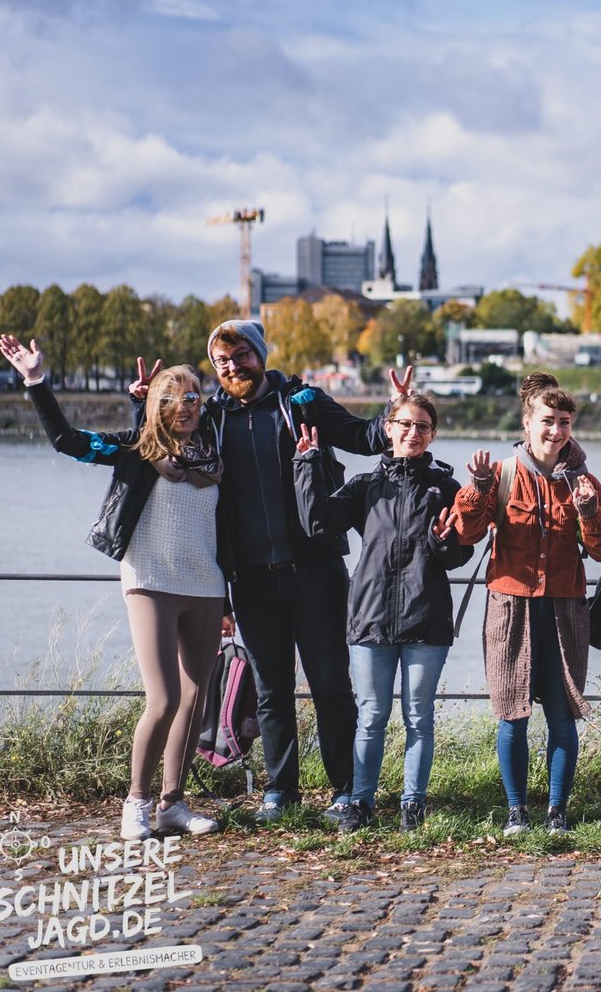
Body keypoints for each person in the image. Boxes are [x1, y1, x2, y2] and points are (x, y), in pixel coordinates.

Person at [0, 336, 227, 841]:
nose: (184, 407)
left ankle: (173, 804)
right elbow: (67, 441)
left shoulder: (214, 454)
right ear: (155, 406)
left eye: (192, 398)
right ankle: (137, 802)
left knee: (195, 699)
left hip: (206, 585)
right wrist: (36, 381)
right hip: (151, 582)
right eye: (171, 400)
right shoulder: (136, 450)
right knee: (164, 699)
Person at [202, 319, 404, 824]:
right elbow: (160, 445)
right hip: (249, 576)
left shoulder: (301, 402)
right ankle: (281, 789)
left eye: (241, 355)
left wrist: (397, 410)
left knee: (331, 683)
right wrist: (144, 404)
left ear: (261, 354)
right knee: (271, 690)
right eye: (222, 361)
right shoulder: (213, 417)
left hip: (315, 568)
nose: (232, 367)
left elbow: (364, 437)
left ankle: (346, 789)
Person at [292, 391, 473, 832]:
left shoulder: (446, 489)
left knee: (418, 717)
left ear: (432, 435)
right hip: (370, 617)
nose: (413, 433)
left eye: (423, 427)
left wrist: (444, 539)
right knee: (371, 716)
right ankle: (361, 802)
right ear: (388, 429)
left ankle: (413, 804)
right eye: (405, 425)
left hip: (426, 618)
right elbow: (318, 524)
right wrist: (307, 465)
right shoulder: (364, 486)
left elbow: (457, 557)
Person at [450, 375, 601, 835]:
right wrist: (479, 488)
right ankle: (516, 811)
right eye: (547, 421)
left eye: (564, 422)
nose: (556, 431)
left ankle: (557, 812)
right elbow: (464, 535)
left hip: (565, 610)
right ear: (527, 423)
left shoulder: (585, 483)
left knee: (563, 716)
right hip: (510, 608)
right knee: (513, 713)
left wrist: (588, 513)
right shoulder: (502, 474)